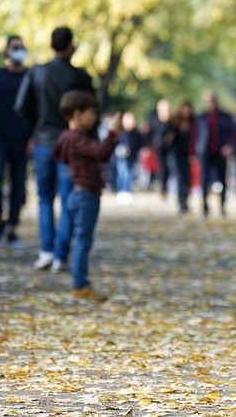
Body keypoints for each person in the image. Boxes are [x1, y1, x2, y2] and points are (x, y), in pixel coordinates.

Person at [14, 26, 94, 272]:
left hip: (44, 140)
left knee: (45, 197)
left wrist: (36, 125)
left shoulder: (37, 73)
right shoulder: (80, 76)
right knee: (69, 199)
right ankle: (61, 254)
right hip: (71, 143)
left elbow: (20, 106)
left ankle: (46, 250)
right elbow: (92, 111)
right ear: (71, 45)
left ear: (51, 45)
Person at [52, 90, 121, 301]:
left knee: (79, 237)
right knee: (83, 240)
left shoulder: (67, 137)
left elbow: (58, 153)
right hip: (85, 195)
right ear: (77, 113)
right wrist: (113, 134)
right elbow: (102, 154)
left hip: (77, 192)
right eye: (91, 113)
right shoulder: (77, 138)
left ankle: (79, 281)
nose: (94, 118)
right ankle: (80, 284)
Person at [0, 35, 32, 248]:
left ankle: (12, 227)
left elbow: (35, 110)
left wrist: (32, 138)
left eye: (22, 47)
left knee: (18, 184)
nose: (19, 50)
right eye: (15, 47)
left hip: (22, 139)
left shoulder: (30, 77)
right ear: (6, 51)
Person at [192, 90, 236, 217]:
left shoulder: (225, 117)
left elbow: (232, 134)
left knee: (223, 180)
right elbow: (195, 136)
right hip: (205, 152)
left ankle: (222, 206)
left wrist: (228, 146)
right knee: (204, 180)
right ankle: (204, 206)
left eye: (213, 100)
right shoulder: (201, 118)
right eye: (208, 100)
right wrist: (194, 151)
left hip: (221, 153)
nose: (211, 102)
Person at [168, 100, 196, 214]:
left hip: (188, 154)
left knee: (187, 178)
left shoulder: (194, 123)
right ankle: (181, 202)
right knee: (180, 178)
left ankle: (186, 200)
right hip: (176, 154)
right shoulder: (175, 122)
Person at [114, 111, 142, 205]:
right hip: (121, 157)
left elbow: (139, 145)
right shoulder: (120, 133)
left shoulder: (136, 133)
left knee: (130, 174)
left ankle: (127, 191)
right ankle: (121, 191)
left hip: (132, 157)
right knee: (123, 174)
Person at [149, 98, 172, 198]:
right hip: (158, 147)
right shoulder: (154, 119)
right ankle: (162, 186)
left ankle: (166, 186)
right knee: (161, 167)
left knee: (169, 166)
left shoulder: (172, 120)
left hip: (170, 148)